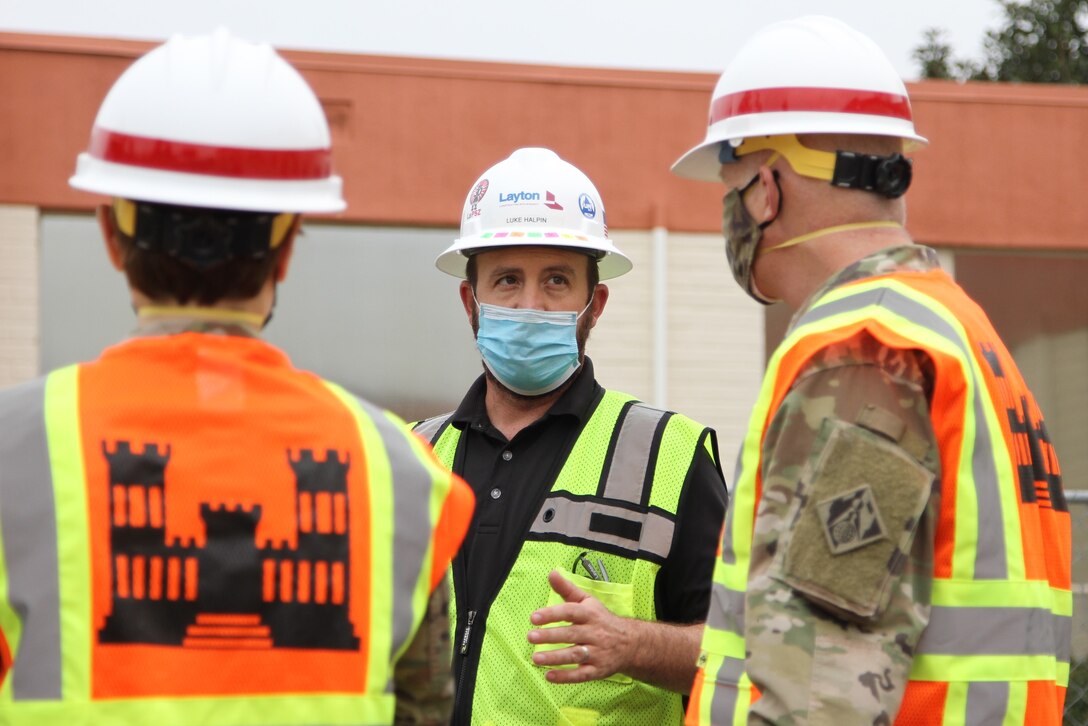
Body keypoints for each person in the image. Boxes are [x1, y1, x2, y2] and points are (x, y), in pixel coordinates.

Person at [0, 30, 473, 725]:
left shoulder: (14, 450)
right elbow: (424, 709)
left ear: (110, 231)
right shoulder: (402, 474)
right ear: (285, 249)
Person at [671, 15, 1072, 725]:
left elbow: (821, 687)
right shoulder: (957, 332)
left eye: (729, 185)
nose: (729, 212)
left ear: (767, 188)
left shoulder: (863, 349)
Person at [412, 147, 729, 725]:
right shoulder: (413, 458)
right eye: (507, 280)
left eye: (556, 281)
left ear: (594, 304)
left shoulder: (669, 457)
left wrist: (634, 644)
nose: (530, 306)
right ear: (470, 301)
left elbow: (744, 653)